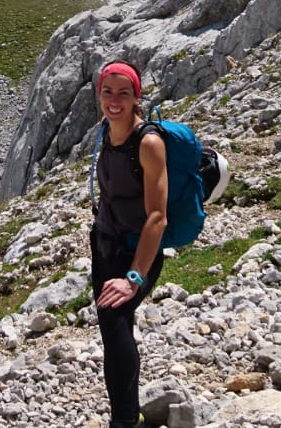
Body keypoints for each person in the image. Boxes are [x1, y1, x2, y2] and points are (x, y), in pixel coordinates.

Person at [89, 60, 168, 428]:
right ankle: (127, 413)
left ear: (137, 96)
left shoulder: (148, 142)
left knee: (115, 323)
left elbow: (157, 217)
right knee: (114, 330)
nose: (114, 100)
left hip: (137, 253)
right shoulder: (106, 131)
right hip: (104, 245)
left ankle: (124, 421)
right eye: (108, 91)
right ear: (99, 95)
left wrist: (134, 277)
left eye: (123, 93)